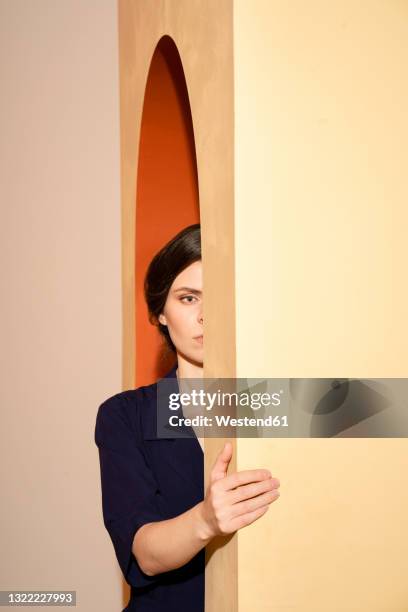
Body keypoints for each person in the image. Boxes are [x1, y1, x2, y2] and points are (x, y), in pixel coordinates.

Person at [94, 223, 281, 611]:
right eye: (188, 298)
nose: (205, 316)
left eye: (221, 295)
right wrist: (205, 521)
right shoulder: (126, 415)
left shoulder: (278, 404)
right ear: (161, 312)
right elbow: (142, 552)